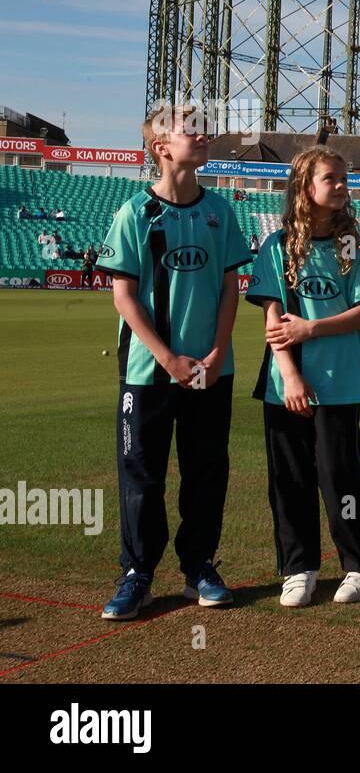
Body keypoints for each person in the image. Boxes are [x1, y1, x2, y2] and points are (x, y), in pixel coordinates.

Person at [96, 103, 254, 620]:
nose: (203, 135)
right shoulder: (134, 213)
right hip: (148, 373)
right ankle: (137, 573)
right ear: (162, 147)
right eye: (191, 130)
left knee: (206, 470)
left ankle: (200, 567)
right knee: (141, 472)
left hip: (211, 370)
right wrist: (167, 359)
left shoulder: (221, 212)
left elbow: (231, 289)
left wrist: (213, 353)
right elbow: (125, 296)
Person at [245, 146, 360, 607]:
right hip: (284, 385)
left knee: (339, 477)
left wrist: (313, 327)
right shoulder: (277, 246)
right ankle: (298, 567)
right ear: (306, 188)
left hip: (339, 380)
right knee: (289, 480)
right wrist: (288, 375)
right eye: (332, 179)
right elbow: (273, 320)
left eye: (344, 179)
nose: (343, 186)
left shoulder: (352, 245)